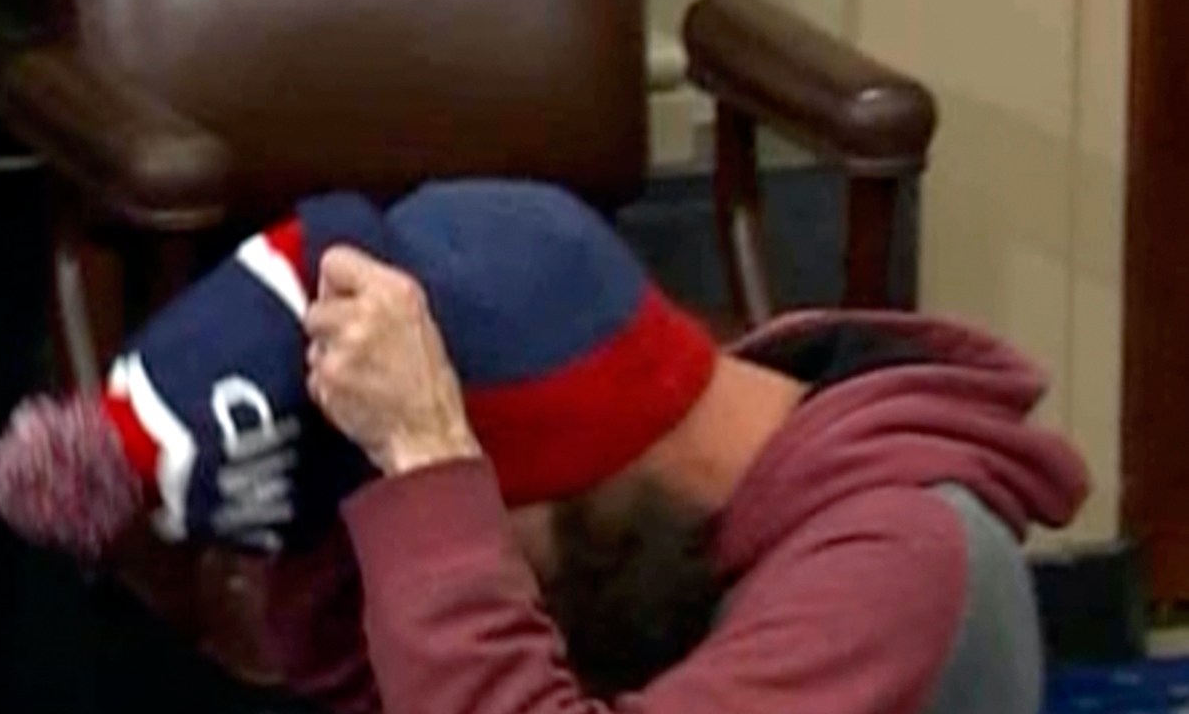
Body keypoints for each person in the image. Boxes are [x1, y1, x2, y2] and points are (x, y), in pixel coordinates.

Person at [274, 180, 1090, 713]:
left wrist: (428, 472)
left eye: (486, 541)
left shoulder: (899, 564)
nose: (492, 579)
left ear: (567, 474)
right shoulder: (684, 509)